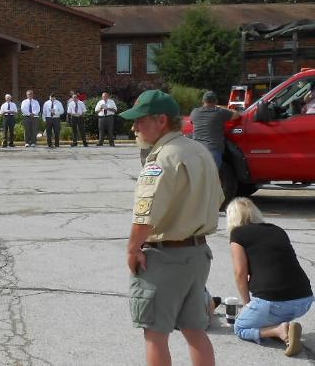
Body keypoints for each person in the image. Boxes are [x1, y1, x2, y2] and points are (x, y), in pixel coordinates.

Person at [121, 89, 222, 366]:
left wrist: (133, 249)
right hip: (198, 254)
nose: (134, 128)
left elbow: (145, 215)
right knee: (194, 330)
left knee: (155, 334)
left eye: (140, 121)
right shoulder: (200, 150)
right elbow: (218, 199)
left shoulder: (162, 159)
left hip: (166, 257)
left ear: (161, 120)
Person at [226, 197, 312, 356]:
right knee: (266, 311)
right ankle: (280, 325)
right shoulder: (277, 229)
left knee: (240, 327)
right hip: (304, 300)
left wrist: (247, 304)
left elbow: (240, 273)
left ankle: (280, 330)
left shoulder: (237, 234)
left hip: (274, 303)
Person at [190, 90, 240, 167]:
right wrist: (221, 107)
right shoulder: (220, 112)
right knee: (213, 174)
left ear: (203, 101)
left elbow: (192, 122)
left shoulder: (194, 112)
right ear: (216, 101)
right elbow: (237, 115)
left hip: (197, 151)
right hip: (213, 151)